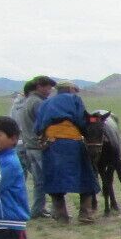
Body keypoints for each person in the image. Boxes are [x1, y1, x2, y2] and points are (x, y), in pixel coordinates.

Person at [34, 81, 101, 223]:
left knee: (54, 180)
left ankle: (61, 215)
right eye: (75, 90)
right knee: (87, 177)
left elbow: (38, 127)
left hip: (51, 144)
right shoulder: (74, 99)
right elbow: (81, 120)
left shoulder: (45, 103)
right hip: (72, 143)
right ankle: (85, 213)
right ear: (70, 89)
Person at [13, 76, 55, 217]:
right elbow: (45, 124)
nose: (49, 90)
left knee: (39, 181)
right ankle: (57, 210)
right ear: (39, 87)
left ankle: (37, 210)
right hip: (40, 147)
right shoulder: (38, 103)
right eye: (47, 87)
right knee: (50, 179)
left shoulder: (26, 102)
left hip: (29, 146)